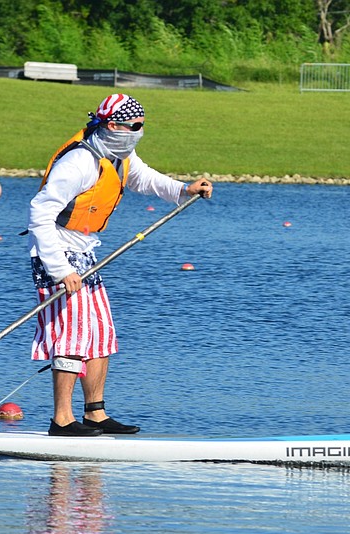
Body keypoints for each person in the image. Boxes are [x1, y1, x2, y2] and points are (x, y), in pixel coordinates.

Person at [27, 93, 213, 437]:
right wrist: (60, 270)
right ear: (113, 126)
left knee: (100, 333)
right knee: (72, 336)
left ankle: (95, 413)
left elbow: (144, 178)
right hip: (55, 250)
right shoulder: (79, 162)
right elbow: (39, 213)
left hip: (85, 251)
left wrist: (184, 189)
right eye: (136, 127)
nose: (140, 132)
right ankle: (62, 420)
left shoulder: (119, 152)